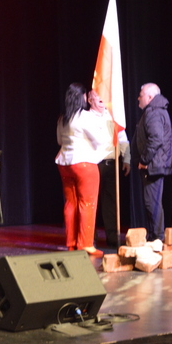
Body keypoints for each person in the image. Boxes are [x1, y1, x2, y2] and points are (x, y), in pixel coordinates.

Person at [55, 83, 105, 256]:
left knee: (71, 203)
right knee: (87, 203)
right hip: (84, 163)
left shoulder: (63, 118)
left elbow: (59, 141)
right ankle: (85, 244)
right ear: (81, 97)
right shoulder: (84, 117)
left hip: (64, 163)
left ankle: (71, 243)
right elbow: (99, 140)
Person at [87, 90, 131, 249]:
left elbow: (123, 140)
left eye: (102, 96)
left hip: (112, 165)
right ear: (90, 100)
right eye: (97, 96)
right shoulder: (85, 118)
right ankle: (90, 237)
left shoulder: (113, 117)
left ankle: (113, 237)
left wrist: (127, 159)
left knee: (111, 202)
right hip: (93, 165)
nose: (101, 99)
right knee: (91, 202)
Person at [131, 83, 172, 242]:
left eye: (141, 95)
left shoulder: (154, 112)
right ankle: (155, 236)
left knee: (152, 203)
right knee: (152, 202)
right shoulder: (155, 111)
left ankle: (157, 238)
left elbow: (156, 139)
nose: (138, 98)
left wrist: (144, 160)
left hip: (152, 166)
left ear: (149, 97)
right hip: (154, 165)